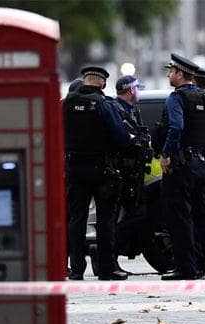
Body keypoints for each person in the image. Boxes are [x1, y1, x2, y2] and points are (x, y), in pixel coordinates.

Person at [158, 53, 205, 280]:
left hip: (181, 166)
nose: (168, 75)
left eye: (171, 71)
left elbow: (175, 127)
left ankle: (187, 268)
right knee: (204, 217)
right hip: (202, 165)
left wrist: (166, 154)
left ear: (179, 74)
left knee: (180, 218)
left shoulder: (176, 98)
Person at [63, 66, 130, 281]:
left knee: (77, 219)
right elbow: (121, 136)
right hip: (103, 169)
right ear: (101, 83)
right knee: (105, 221)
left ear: (84, 81)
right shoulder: (104, 104)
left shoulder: (66, 104)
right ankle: (106, 269)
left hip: (75, 169)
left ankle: (76, 269)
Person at [110, 75, 150, 276]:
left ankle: (111, 256)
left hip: (134, 171)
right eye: (137, 89)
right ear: (130, 90)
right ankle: (110, 254)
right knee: (129, 215)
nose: (139, 92)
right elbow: (122, 140)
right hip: (123, 172)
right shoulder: (116, 110)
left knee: (135, 214)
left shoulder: (133, 110)